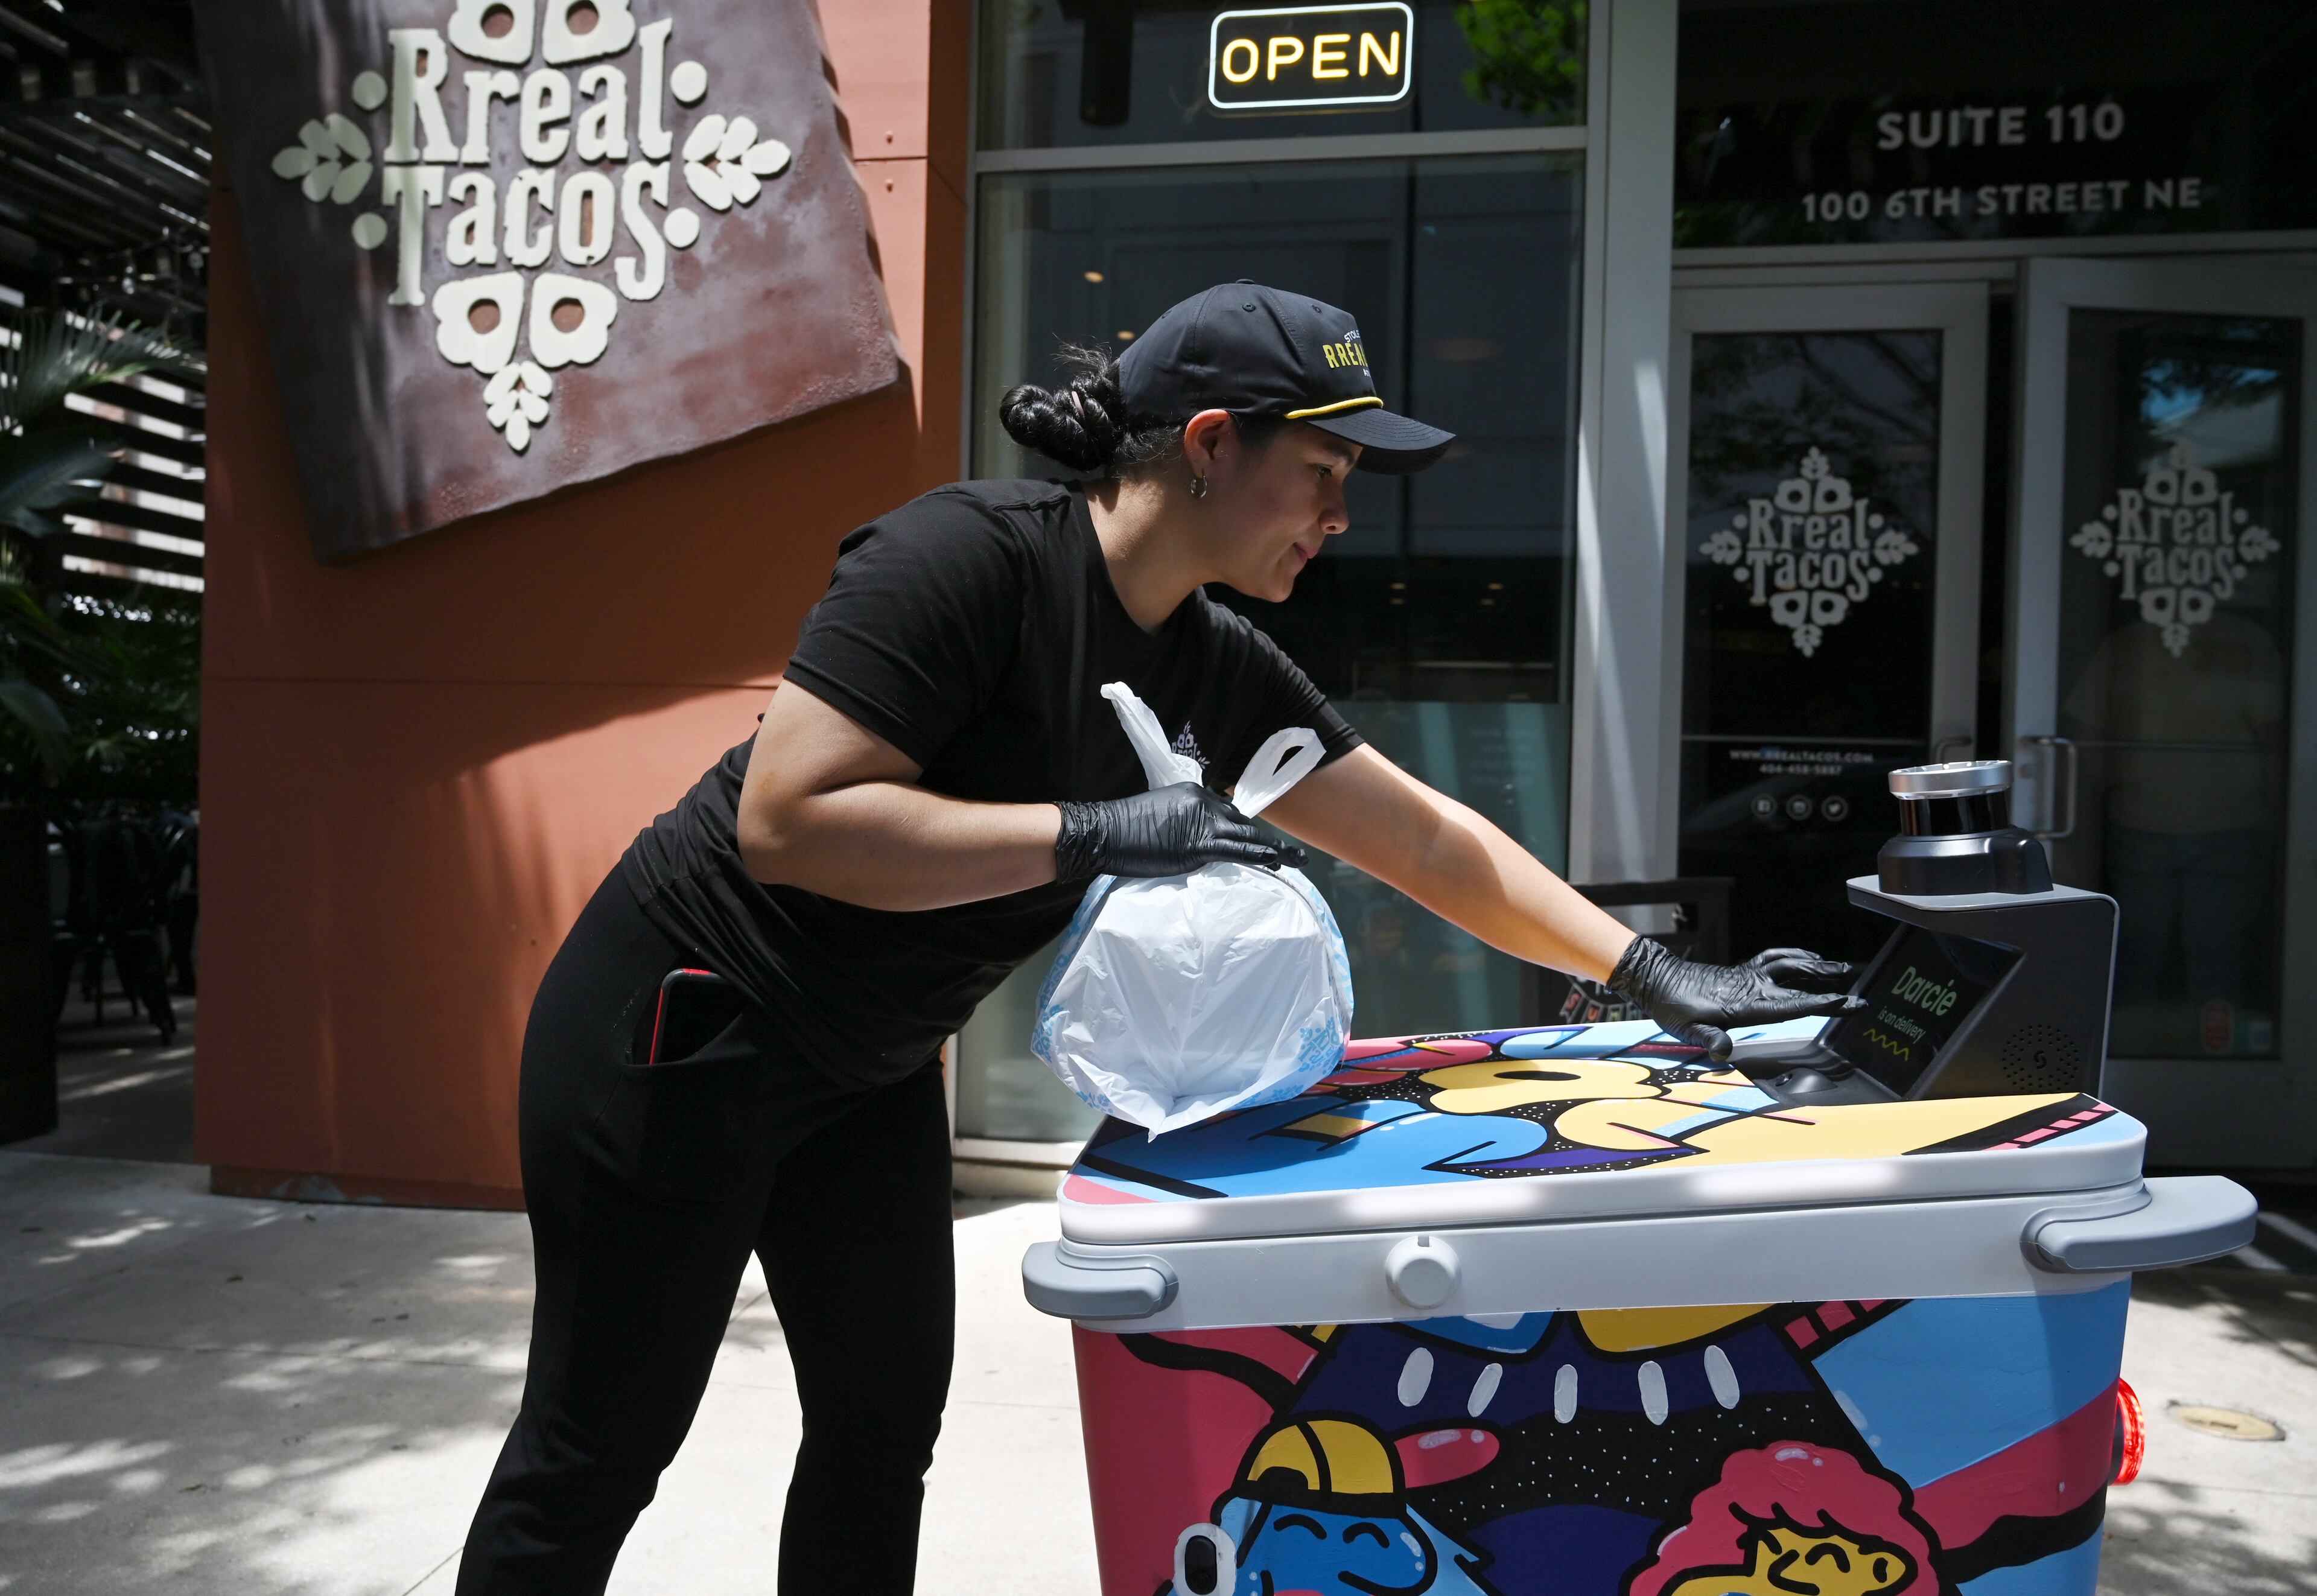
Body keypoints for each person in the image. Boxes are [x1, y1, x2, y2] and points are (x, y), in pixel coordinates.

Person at [454, 282, 1855, 1594]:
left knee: (881, 1434)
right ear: (1205, 444)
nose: (1339, 516)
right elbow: (795, 820)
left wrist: (1647, 970)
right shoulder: (966, 561)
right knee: (601, 1451)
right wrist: (1096, 830)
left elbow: (1426, 840)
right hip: (687, 1026)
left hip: (863, 1070)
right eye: (1321, 474)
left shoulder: (1209, 659)